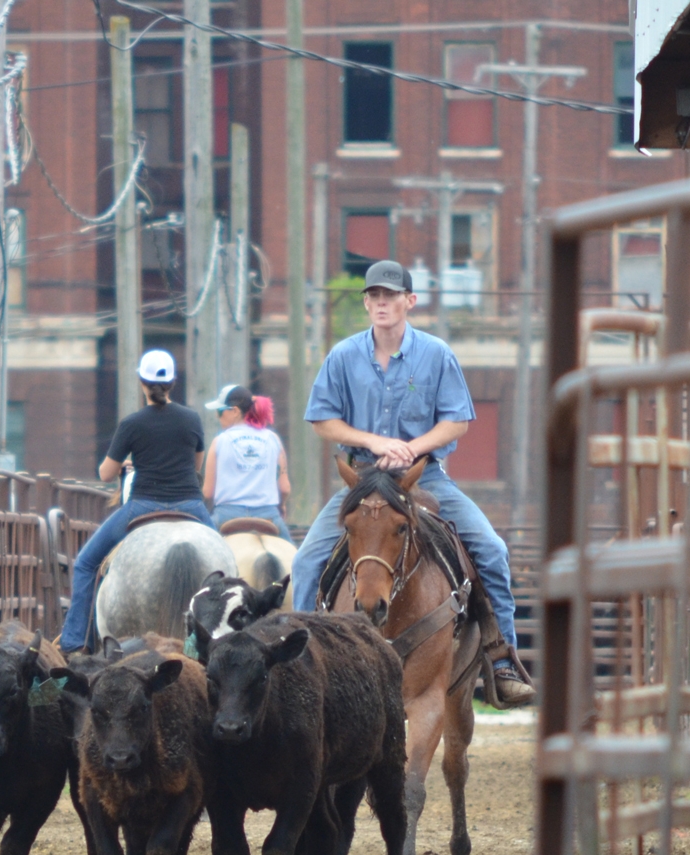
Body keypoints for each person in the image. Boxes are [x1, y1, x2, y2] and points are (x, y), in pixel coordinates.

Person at [290, 260, 535, 703]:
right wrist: (374, 440)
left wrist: (411, 446)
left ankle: (501, 660)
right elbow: (323, 420)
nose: (382, 304)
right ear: (366, 303)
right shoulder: (343, 356)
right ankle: (303, 663)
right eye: (374, 297)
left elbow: (457, 421)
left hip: (425, 476)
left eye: (390, 296)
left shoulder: (436, 354)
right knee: (306, 561)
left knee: (493, 550)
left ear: (410, 301)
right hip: (363, 480)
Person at [59, 349, 210, 653]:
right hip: (190, 505)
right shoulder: (191, 419)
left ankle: (74, 642)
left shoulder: (132, 423)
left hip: (143, 505)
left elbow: (105, 474)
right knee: (230, 571)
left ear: (142, 381)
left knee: (86, 563)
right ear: (173, 382)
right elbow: (196, 466)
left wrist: (130, 462)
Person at [201, 384, 290, 535]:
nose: (217, 416)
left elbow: (208, 493)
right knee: (295, 558)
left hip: (226, 516)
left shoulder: (219, 441)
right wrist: (281, 506)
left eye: (220, 411)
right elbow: (284, 489)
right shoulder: (273, 439)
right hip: (268, 515)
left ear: (235, 411)